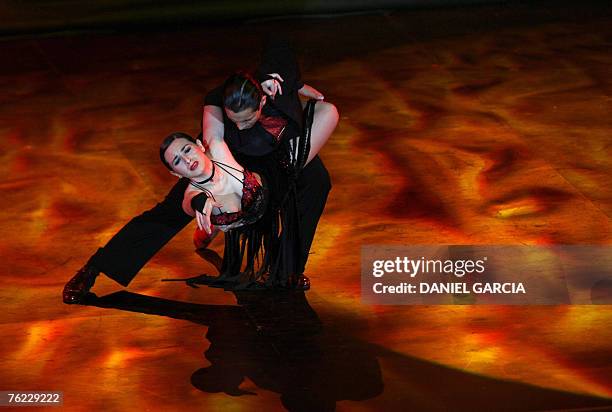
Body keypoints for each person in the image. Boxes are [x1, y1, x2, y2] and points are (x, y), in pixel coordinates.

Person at [63, 38, 338, 303]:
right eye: (235, 118)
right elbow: (215, 144)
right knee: (171, 210)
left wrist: (295, 83)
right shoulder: (217, 106)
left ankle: (289, 268)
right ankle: (96, 268)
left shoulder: (277, 89)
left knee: (316, 182)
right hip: (230, 150)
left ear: (263, 102)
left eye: (247, 118)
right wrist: (213, 192)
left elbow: (279, 46)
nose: (241, 123)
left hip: (280, 150)